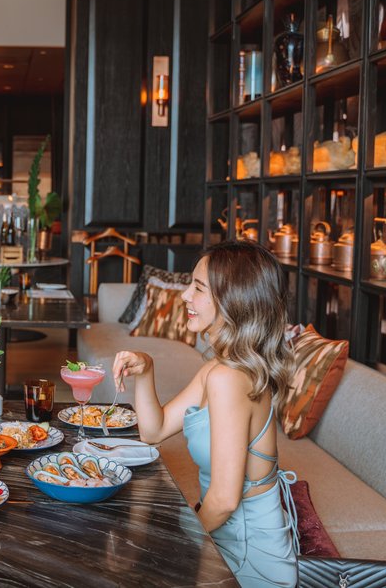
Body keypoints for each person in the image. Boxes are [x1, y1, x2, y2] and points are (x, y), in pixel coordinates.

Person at [112, 240, 298, 587]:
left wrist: (168, 544)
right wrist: (146, 369)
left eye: (197, 288)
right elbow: (154, 431)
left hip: (248, 560)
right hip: (223, 543)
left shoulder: (229, 378)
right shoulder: (219, 368)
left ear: (233, 301)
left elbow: (226, 499)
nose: (184, 296)